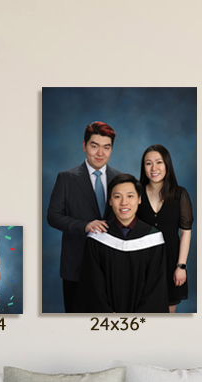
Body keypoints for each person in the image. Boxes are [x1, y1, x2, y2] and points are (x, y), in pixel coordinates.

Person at [45, 121, 125, 313]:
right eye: (94, 146)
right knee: (76, 325)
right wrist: (84, 225)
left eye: (106, 147)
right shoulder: (66, 178)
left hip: (111, 266)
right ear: (84, 146)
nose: (100, 153)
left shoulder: (121, 179)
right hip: (76, 266)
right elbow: (53, 216)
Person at [74, 174, 168, 313]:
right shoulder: (97, 236)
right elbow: (91, 283)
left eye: (130, 196)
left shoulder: (153, 238)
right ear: (110, 201)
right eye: (117, 196)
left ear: (139, 199)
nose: (124, 202)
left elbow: (156, 287)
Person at [137, 144, 193, 313]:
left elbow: (185, 233)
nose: (154, 168)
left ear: (167, 165)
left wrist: (181, 266)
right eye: (148, 163)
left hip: (171, 262)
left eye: (159, 162)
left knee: (168, 314)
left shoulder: (180, 194)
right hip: (141, 262)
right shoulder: (135, 192)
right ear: (143, 167)